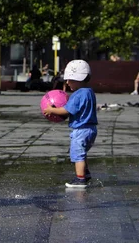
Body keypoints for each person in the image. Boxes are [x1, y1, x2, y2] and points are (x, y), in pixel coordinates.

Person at [42, 60, 97, 189]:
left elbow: (66, 110)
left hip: (80, 130)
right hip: (91, 129)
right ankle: (86, 174)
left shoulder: (77, 95)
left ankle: (80, 180)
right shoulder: (89, 92)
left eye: (69, 80)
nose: (67, 83)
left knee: (77, 154)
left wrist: (52, 110)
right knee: (82, 153)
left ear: (78, 79)